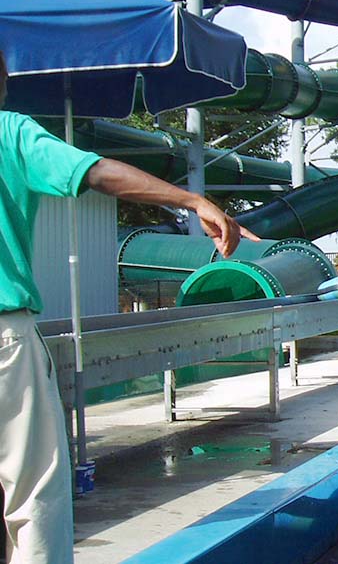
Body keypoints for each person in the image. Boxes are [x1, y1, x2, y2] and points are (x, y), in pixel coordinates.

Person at [0, 49, 259, 564]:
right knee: (33, 494)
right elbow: (95, 172)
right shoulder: (11, 132)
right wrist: (192, 200)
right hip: (4, 338)